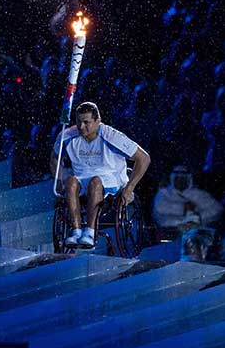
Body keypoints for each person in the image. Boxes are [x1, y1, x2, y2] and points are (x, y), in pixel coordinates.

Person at [51, 101, 151, 248]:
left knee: (96, 182)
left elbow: (144, 158)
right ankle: (77, 231)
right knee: (70, 181)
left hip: (110, 180)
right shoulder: (67, 136)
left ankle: (90, 232)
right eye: (78, 122)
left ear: (98, 120)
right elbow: (55, 157)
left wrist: (129, 188)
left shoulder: (112, 136)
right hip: (82, 178)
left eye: (86, 122)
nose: (81, 127)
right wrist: (58, 181)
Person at [153, 165, 224, 232]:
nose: (180, 181)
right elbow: (160, 208)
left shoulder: (198, 194)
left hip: (197, 232)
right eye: (178, 178)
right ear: (172, 179)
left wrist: (198, 217)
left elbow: (217, 208)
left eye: (183, 178)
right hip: (170, 232)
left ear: (189, 179)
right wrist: (183, 209)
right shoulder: (165, 193)